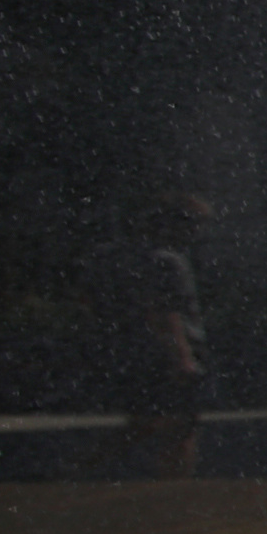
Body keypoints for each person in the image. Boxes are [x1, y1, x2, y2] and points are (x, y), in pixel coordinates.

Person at [93, 187, 207, 477]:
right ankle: (176, 483)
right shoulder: (167, 262)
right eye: (193, 224)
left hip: (139, 351)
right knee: (181, 423)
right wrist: (183, 357)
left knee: (149, 422)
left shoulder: (130, 257)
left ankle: (87, 462)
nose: (197, 232)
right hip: (166, 354)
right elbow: (165, 313)